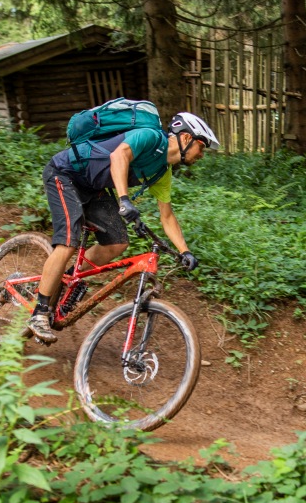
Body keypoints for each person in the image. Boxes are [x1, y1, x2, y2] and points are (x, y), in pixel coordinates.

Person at [25, 110, 220, 344]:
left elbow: (167, 216)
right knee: (67, 242)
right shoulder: (150, 136)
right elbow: (119, 156)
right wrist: (124, 200)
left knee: (117, 242)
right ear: (187, 138)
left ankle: (66, 280)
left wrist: (184, 251)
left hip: (93, 187)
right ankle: (40, 313)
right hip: (66, 174)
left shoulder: (162, 172)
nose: (202, 154)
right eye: (202, 146)